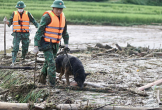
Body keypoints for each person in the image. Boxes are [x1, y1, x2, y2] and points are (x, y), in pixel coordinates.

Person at [33, 0, 69, 88]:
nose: (59, 11)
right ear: (53, 8)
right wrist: (36, 45)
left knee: (47, 62)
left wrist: (66, 44)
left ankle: (41, 79)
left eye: (61, 9)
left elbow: (65, 32)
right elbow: (39, 31)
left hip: (55, 44)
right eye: (57, 9)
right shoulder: (47, 17)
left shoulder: (63, 17)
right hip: (46, 44)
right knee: (52, 64)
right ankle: (52, 85)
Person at [4, 1, 39, 66]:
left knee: (25, 47)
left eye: (21, 8)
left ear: (23, 8)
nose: (20, 9)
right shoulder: (14, 13)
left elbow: (34, 21)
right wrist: (6, 22)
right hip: (16, 34)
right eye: (19, 8)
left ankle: (23, 57)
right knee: (15, 47)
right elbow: (10, 22)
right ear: (17, 8)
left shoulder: (28, 13)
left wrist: (38, 26)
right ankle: (13, 61)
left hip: (25, 33)